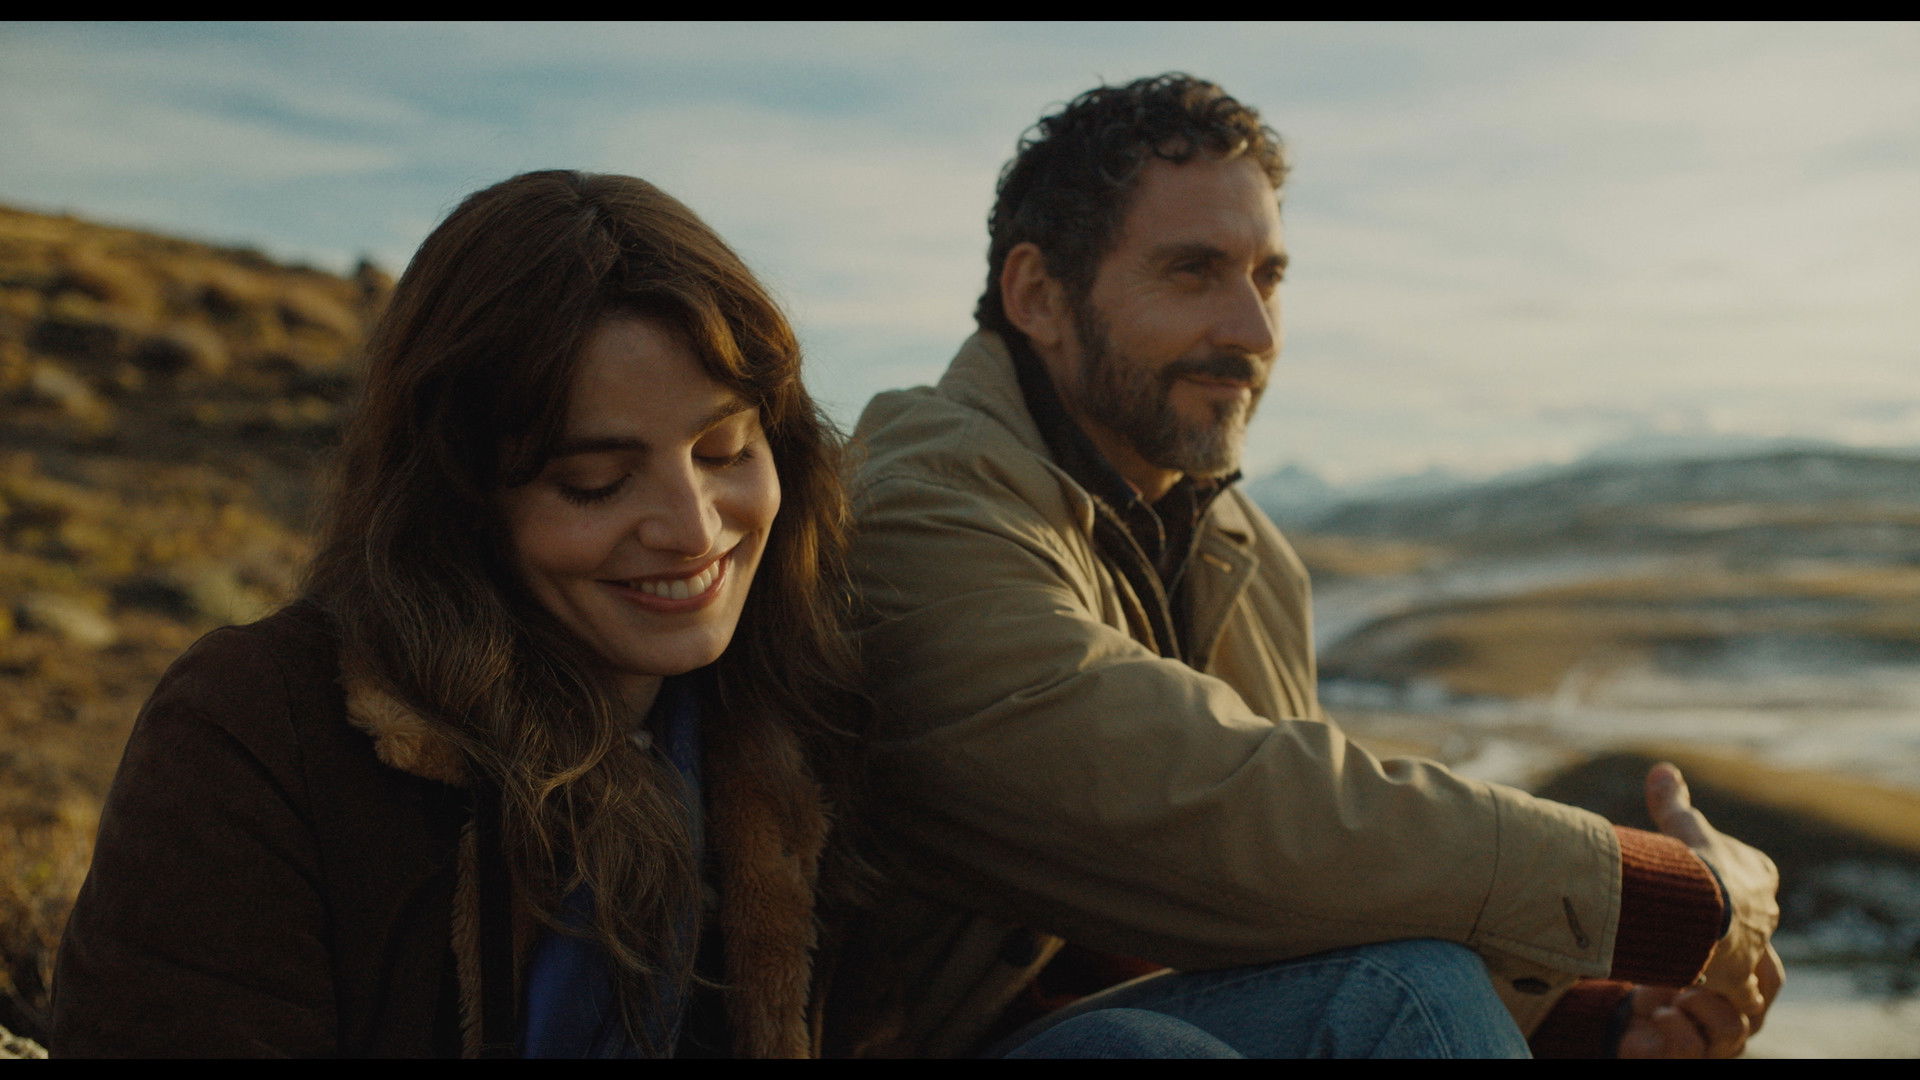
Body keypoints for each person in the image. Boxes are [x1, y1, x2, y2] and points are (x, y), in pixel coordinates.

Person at [826, 74, 1783, 1058]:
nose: (1255, 332)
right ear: (1038, 295)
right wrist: (1654, 895)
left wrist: (1597, 1024)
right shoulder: (917, 504)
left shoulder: (1241, 550)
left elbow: (1315, 910)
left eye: (1268, 277)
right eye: (1194, 272)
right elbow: (1208, 811)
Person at [49, 170, 869, 1057]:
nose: (694, 529)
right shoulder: (260, 732)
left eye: (726, 450)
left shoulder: (801, 718)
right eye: (594, 482)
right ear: (458, 498)